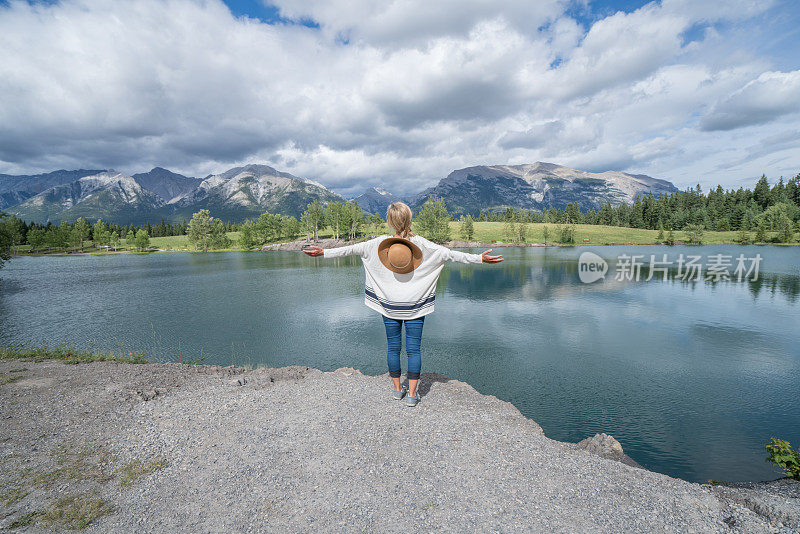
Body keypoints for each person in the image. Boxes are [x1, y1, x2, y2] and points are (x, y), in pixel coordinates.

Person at [303, 201, 503, 407]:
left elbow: (349, 250)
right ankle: (412, 395)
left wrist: (323, 253)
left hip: (389, 306)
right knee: (414, 349)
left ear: (390, 221)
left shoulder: (377, 244)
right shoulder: (424, 245)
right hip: (416, 306)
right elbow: (451, 254)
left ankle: (398, 389)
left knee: (393, 347)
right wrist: (479, 259)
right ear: (410, 219)